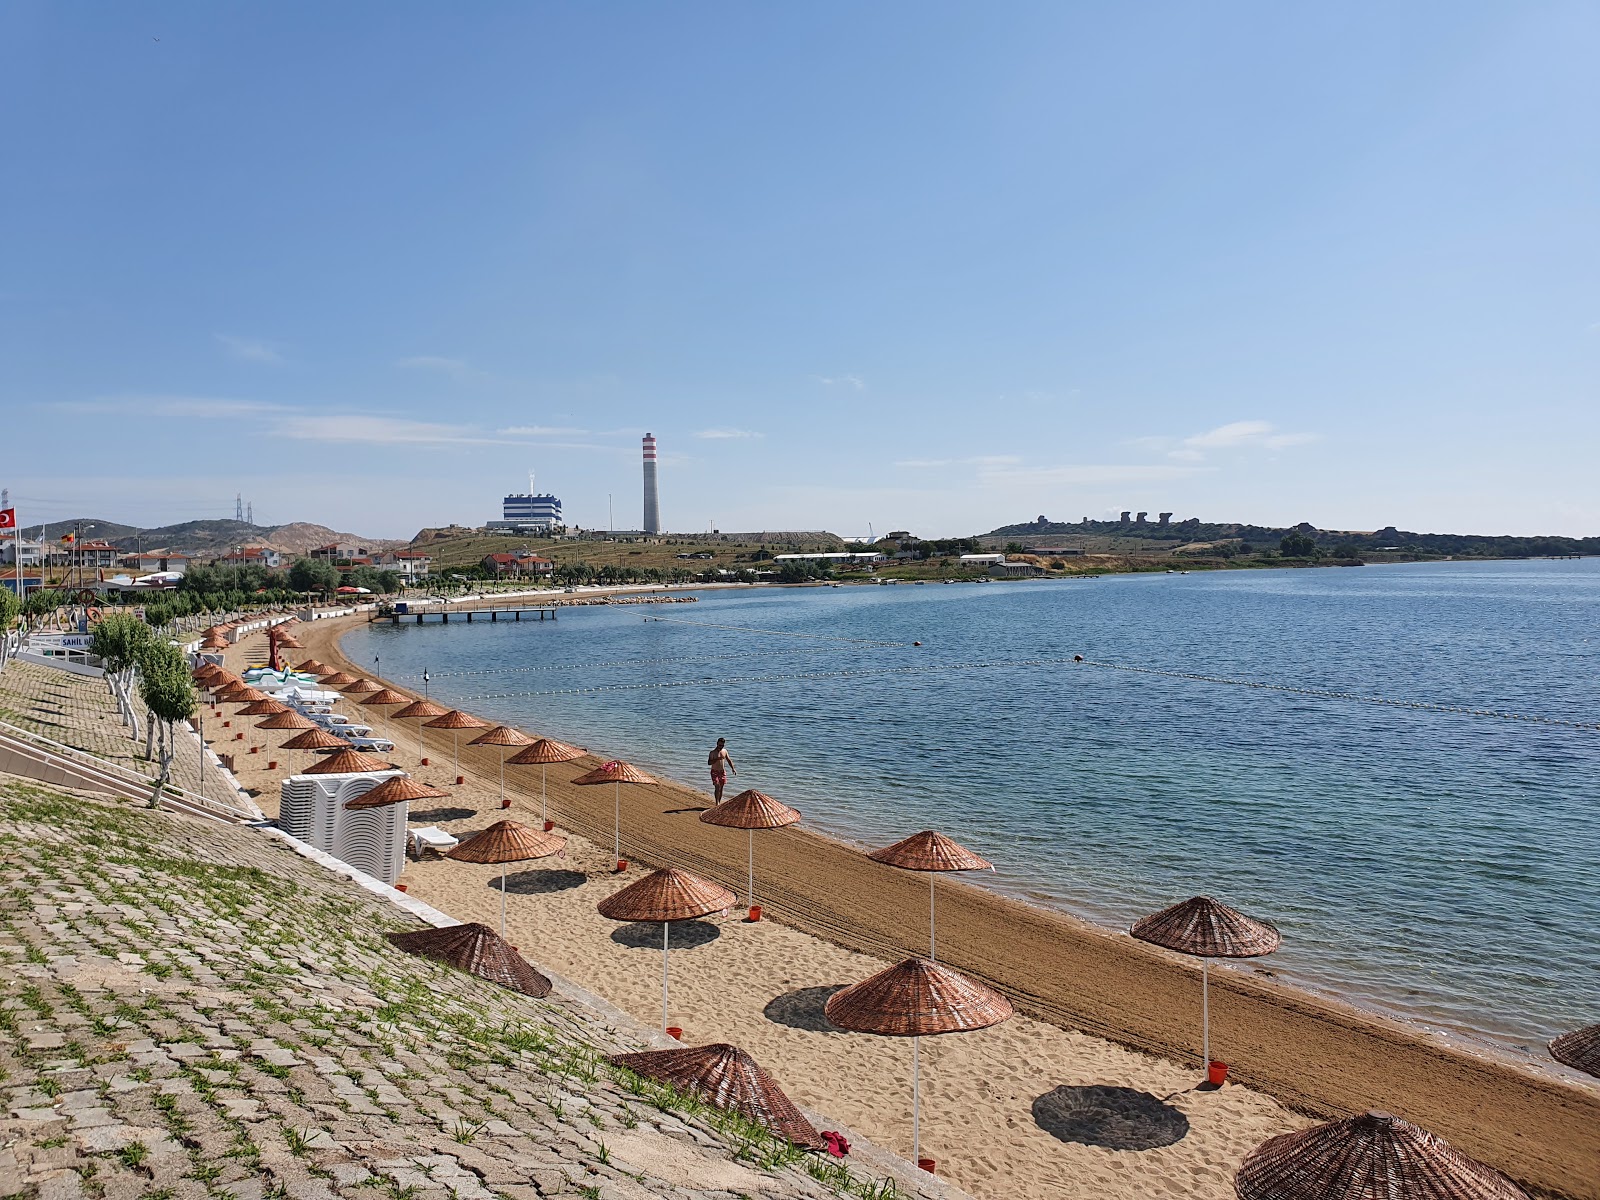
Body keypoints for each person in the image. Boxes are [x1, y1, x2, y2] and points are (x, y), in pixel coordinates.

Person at [707, 737, 736, 802]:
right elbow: (709, 762)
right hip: (714, 771)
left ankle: (719, 802)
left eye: (722, 745)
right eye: (720, 745)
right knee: (717, 787)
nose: (721, 747)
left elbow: (729, 760)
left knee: (721, 788)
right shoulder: (712, 752)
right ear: (717, 744)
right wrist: (717, 759)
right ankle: (717, 803)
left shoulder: (724, 751)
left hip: (722, 771)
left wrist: (733, 769)